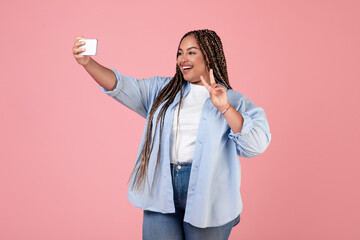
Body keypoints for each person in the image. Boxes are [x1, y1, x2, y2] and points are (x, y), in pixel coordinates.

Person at [72, 29, 271, 240]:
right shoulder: (162, 91)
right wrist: (88, 63)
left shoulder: (234, 100)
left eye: (191, 52)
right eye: (179, 53)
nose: (182, 59)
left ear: (209, 55)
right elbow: (120, 85)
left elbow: (255, 145)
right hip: (161, 188)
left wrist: (225, 108)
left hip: (210, 196)